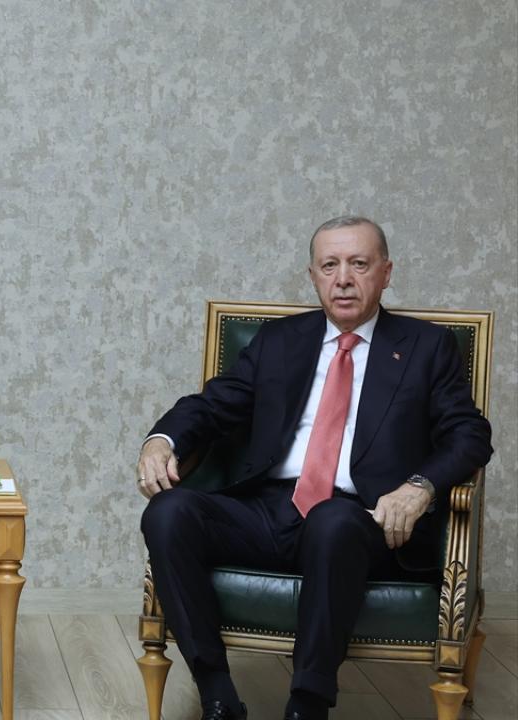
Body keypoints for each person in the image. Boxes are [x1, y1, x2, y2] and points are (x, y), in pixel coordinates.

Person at [136, 216, 492, 720]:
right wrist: (161, 440)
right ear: (313, 276)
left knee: (332, 520)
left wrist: (419, 487)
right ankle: (217, 694)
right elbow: (211, 406)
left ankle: (307, 704)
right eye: (329, 266)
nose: (342, 279)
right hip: (268, 510)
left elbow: (470, 434)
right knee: (168, 512)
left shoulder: (426, 347)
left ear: (386, 273)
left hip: (363, 519)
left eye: (358, 264)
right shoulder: (281, 340)